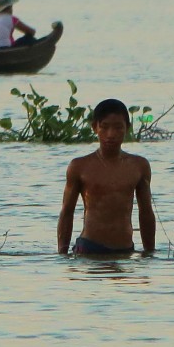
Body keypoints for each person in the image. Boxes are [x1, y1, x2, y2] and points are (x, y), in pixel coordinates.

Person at [58, 98, 154, 257]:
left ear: (127, 128)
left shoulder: (139, 166)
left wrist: (149, 253)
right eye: (104, 127)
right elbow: (67, 212)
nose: (111, 135)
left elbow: (146, 212)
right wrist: (62, 253)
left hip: (125, 250)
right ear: (95, 127)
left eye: (118, 128)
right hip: (89, 248)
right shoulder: (79, 167)